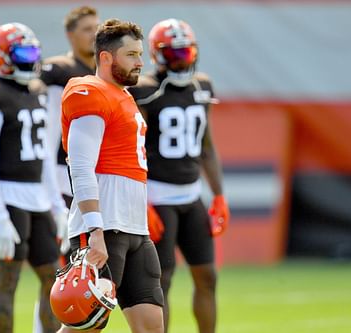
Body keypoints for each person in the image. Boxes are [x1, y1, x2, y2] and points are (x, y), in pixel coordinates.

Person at [56, 18, 164, 333]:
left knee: (151, 326)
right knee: (84, 326)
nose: (140, 62)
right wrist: (94, 232)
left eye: (140, 54)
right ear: (106, 57)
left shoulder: (125, 96)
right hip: (103, 228)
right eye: (131, 55)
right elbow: (80, 166)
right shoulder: (89, 91)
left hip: (135, 230)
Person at [128, 19, 230, 333]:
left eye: (187, 53)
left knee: (208, 276)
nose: (183, 60)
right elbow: (133, 150)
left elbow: (207, 147)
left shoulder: (202, 86)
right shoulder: (145, 90)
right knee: (163, 280)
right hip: (158, 197)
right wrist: (140, 200)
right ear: (159, 56)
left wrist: (218, 195)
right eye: (175, 54)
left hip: (190, 195)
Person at [0, 22, 68, 333]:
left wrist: (57, 206)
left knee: (52, 279)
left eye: (33, 51)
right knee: (7, 285)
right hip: (9, 199)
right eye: (22, 52)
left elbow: (44, 159)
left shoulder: (37, 91)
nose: (29, 58)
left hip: (38, 199)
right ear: (2, 57)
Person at [40, 5, 99, 215]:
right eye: (87, 29)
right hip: (64, 172)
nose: (95, 34)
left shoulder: (107, 73)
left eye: (97, 28)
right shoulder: (60, 70)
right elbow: (49, 131)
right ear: (71, 35)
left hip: (101, 173)